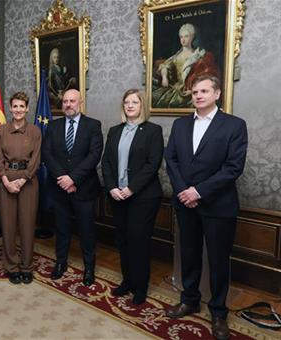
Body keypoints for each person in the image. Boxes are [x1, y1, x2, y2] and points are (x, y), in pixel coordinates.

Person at [164, 75, 247, 340]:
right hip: (185, 204)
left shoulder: (234, 125)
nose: (198, 95)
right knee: (189, 254)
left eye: (204, 91)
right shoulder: (180, 124)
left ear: (217, 94)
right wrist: (183, 191)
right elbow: (171, 159)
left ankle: (219, 312)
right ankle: (190, 300)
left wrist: (198, 191)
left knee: (218, 260)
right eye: (195, 91)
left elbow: (233, 167)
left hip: (218, 206)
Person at [101, 89, 164, 305]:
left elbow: (152, 164)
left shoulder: (153, 131)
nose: (129, 105)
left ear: (141, 105)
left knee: (139, 242)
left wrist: (131, 188)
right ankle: (127, 281)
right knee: (123, 240)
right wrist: (111, 187)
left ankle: (141, 286)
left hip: (143, 197)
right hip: (117, 196)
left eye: (134, 102)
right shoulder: (115, 130)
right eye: (126, 102)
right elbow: (107, 162)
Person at [42, 89, 103, 286]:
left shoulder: (93, 125)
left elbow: (94, 155)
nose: (68, 104)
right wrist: (63, 178)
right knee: (61, 228)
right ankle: (60, 263)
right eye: (65, 101)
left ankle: (89, 268)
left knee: (87, 230)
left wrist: (73, 179)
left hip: (83, 189)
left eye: (72, 101)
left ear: (80, 102)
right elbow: (47, 153)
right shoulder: (53, 125)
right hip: (59, 188)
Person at [0, 92, 41, 284]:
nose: (18, 110)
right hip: (6, 179)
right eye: (15, 106)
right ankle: (12, 266)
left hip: (28, 181)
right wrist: (5, 181)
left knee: (27, 225)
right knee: (8, 225)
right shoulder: (3, 130)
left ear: (27, 108)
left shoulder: (35, 131)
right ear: (10, 108)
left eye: (22, 106)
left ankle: (26, 266)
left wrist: (22, 180)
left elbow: (36, 159)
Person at [152, 23, 220, 108]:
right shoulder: (177, 55)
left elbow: (205, 76)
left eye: (186, 36)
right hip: (175, 88)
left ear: (192, 37)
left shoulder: (198, 55)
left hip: (189, 89)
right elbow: (165, 65)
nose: (183, 40)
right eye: (181, 37)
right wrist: (164, 75)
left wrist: (192, 90)